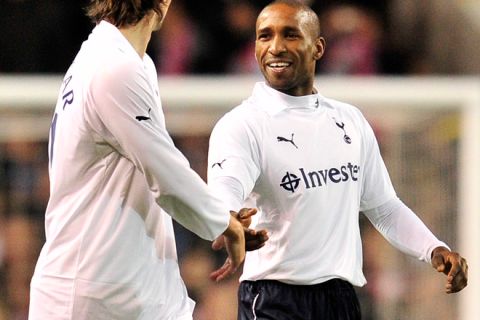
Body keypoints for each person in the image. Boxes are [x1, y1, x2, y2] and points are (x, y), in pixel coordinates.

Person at [207, 1, 469, 319]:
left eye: (289, 35)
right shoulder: (242, 125)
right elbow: (226, 186)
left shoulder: (350, 120)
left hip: (340, 300)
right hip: (275, 299)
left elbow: (383, 206)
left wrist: (433, 249)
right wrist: (228, 218)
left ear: (317, 47)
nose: (275, 47)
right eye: (265, 36)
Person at [28, 1, 267, 319]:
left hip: (124, 286)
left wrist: (222, 217)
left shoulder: (116, 60)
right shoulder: (114, 70)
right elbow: (166, 175)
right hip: (93, 292)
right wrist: (224, 223)